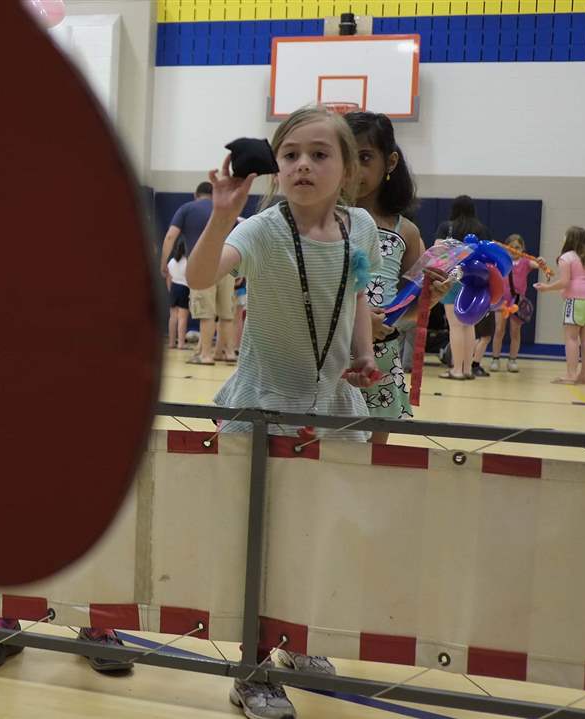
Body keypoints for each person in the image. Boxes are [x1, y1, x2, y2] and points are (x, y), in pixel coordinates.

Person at [186, 105, 382, 719]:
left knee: (313, 537)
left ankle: (296, 640)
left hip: (330, 410)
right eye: (291, 154)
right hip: (262, 409)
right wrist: (220, 219)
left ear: (348, 168)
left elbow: (356, 296)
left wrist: (363, 355)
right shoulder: (261, 230)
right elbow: (198, 278)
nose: (303, 165)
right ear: (276, 167)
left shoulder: (362, 230)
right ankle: (252, 672)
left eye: (320, 154)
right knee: (258, 549)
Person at [346, 111, 433, 443]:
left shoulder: (406, 232)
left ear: (390, 161)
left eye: (365, 157)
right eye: (345, 157)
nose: (353, 169)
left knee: (374, 462)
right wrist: (358, 319)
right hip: (333, 359)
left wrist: (432, 297)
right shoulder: (324, 222)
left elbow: (407, 311)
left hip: (381, 363)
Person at [160, 182, 238, 365]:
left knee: (206, 313)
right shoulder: (224, 208)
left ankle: (205, 355)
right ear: (213, 195)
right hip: (226, 265)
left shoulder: (187, 209)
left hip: (202, 266)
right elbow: (237, 237)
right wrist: (237, 269)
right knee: (226, 313)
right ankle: (227, 353)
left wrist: (164, 263)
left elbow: (171, 236)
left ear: (196, 194)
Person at [534, 226, 585, 385]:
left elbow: (565, 282)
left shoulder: (566, 257)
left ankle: (571, 375)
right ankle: (584, 375)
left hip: (577, 299)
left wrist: (546, 288)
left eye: (564, 236)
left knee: (571, 337)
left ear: (570, 239)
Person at [434, 195, 491, 380]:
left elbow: (437, 250)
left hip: (452, 279)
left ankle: (456, 369)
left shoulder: (446, 227)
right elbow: (488, 256)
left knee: (455, 326)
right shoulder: (482, 229)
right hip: (475, 280)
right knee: (469, 324)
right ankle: (467, 369)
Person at [489, 234, 542, 372]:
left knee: (515, 332)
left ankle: (512, 360)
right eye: (511, 247)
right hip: (501, 301)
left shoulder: (525, 262)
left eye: (517, 247)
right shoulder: (502, 260)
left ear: (522, 248)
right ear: (507, 248)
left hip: (517, 303)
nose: (514, 250)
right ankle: (495, 359)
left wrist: (541, 262)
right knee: (499, 330)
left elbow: (537, 264)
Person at [167, 237, 190, 349]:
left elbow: (169, 277)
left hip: (173, 288)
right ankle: (181, 344)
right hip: (184, 288)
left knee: (172, 317)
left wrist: (169, 290)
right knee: (182, 318)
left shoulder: (171, 261)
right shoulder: (187, 262)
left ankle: (171, 343)